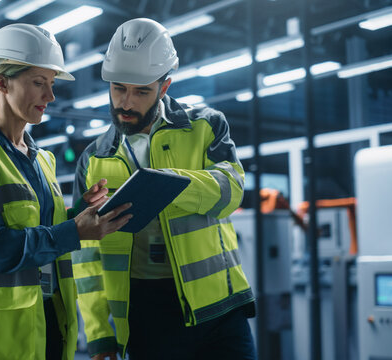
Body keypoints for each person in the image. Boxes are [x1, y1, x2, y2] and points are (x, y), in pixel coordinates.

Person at [0, 23, 132, 360]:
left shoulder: (44, 161)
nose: (50, 96)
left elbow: (43, 230)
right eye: (39, 83)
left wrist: (80, 214)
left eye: (51, 85)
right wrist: (74, 230)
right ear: (2, 83)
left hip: (48, 323)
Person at [72, 18, 256, 360]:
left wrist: (166, 183)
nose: (126, 103)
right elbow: (84, 257)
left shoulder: (206, 126)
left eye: (141, 91)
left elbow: (232, 190)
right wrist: (98, 334)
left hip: (219, 309)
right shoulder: (93, 159)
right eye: (118, 89)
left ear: (164, 87)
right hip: (145, 314)